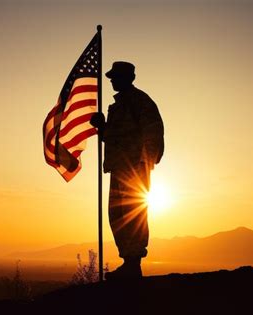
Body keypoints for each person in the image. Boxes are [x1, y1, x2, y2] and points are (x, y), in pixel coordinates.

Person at [90, 61, 164, 280]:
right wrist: (101, 127)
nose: (111, 80)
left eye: (115, 77)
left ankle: (134, 264)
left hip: (135, 168)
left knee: (133, 214)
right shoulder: (118, 106)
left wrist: (146, 163)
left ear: (128, 78)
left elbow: (154, 132)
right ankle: (128, 262)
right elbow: (113, 138)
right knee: (118, 214)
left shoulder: (140, 102)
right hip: (118, 167)